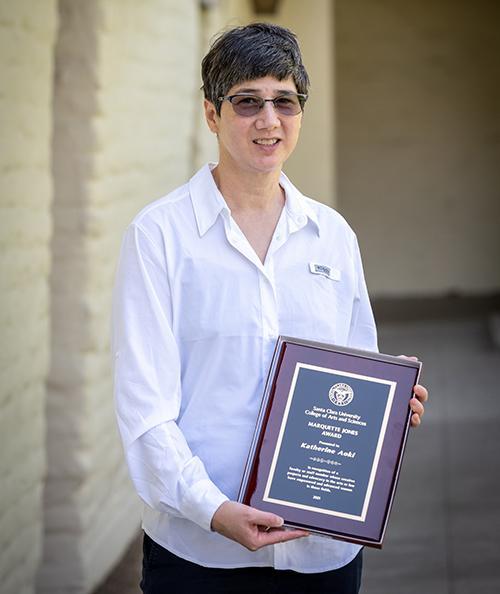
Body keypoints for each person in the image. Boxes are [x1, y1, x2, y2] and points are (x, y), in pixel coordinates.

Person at [112, 22, 428, 594]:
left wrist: (387, 407)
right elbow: (145, 413)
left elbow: (355, 370)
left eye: (285, 101)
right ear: (212, 114)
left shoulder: (332, 235)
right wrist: (213, 511)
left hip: (321, 553)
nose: (269, 120)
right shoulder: (157, 236)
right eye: (247, 102)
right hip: (200, 555)